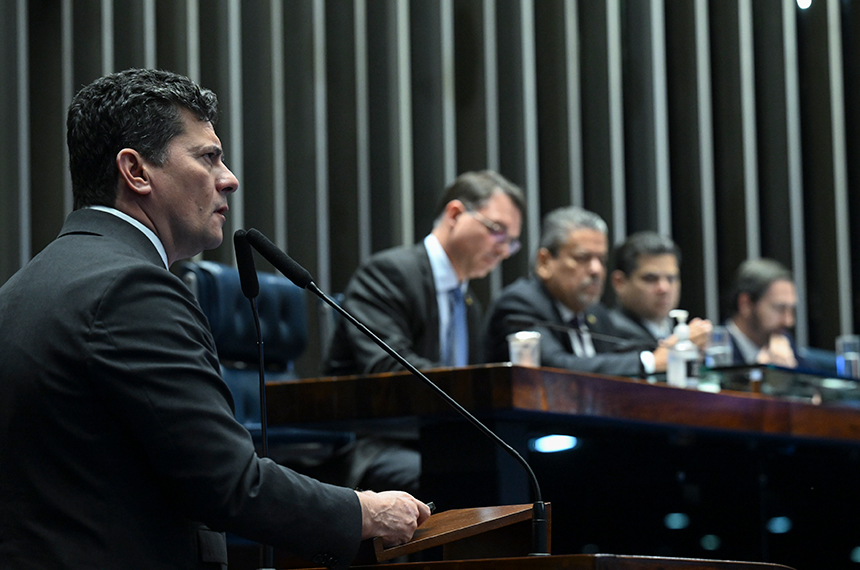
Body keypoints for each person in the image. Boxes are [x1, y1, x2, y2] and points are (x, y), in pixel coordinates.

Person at [0, 69, 429, 570]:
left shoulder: (20, 289)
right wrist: (365, 510)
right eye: (208, 157)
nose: (230, 177)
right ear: (136, 172)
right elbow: (229, 485)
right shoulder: (132, 290)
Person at [324, 170, 526, 376]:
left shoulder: (468, 304)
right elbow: (387, 367)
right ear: (455, 215)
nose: (503, 251)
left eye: (511, 241)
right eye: (497, 230)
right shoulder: (389, 274)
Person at [483, 206, 710, 376]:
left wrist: (675, 347)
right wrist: (650, 362)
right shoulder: (520, 304)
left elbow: (617, 361)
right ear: (545, 262)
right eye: (583, 258)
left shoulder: (596, 314)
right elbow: (555, 368)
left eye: (601, 259)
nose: (596, 270)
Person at [607, 231, 711, 347]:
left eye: (671, 278)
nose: (664, 288)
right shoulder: (610, 332)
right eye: (650, 279)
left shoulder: (669, 330)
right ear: (620, 282)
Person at [725, 258, 800, 368]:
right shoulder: (716, 350)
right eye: (779, 308)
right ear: (745, 304)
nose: (788, 321)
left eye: (791, 309)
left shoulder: (785, 342)